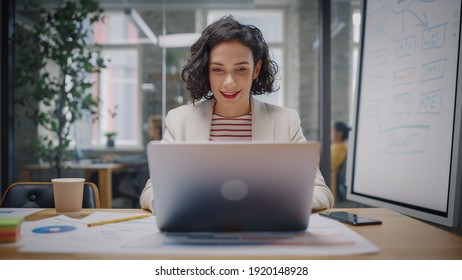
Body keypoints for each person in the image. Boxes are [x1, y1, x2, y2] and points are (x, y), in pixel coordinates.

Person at [139, 15, 334, 212]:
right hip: (201, 225)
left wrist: (279, 204)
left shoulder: (286, 121)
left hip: (264, 227)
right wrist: (176, 205)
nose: (229, 82)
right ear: (206, 70)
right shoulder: (178, 120)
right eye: (218, 70)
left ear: (256, 69)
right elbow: (151, 190)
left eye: (241, 69)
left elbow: (320, 191)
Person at [331, 121, 350, 202]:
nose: (331, 133)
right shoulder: (335, 146)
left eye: (333, 130)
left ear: (339, 134)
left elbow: (330, 165)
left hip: (331, 182)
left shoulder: (340, 148)